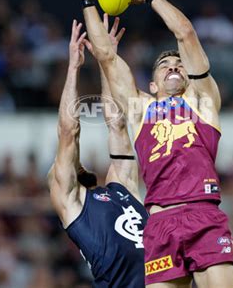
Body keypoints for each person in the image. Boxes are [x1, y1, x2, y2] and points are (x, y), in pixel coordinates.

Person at [81, 0, 233, 288]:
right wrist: (87, 0)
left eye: (178, 65)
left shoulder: (203, 101)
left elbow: (185, 33)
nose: (173, 67)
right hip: (160, 222)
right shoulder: (140, 110)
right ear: (151, 85)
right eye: (164, 65)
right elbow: (106, 55)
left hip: (203, 214)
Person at [48, 18, 148, 288]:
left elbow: (116, 123)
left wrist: (107, 59)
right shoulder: (74, 205)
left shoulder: (121, 187)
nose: (59, 169)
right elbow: (68, 131)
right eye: (57, 170)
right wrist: (73, 67)